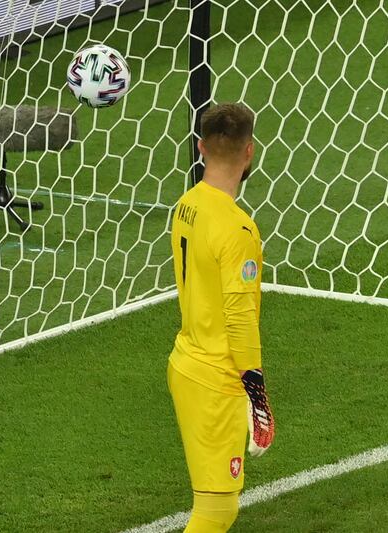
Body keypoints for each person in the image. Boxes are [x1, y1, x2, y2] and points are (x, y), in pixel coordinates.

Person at [168, 103, 275, 532]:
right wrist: (257, 395)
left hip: (186, 362)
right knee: (216, 512)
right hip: (217, 380)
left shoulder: (186, 205)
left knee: (213, 505)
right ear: (249, 151)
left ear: (200, 148)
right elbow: (239, 317)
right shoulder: (238, 229)